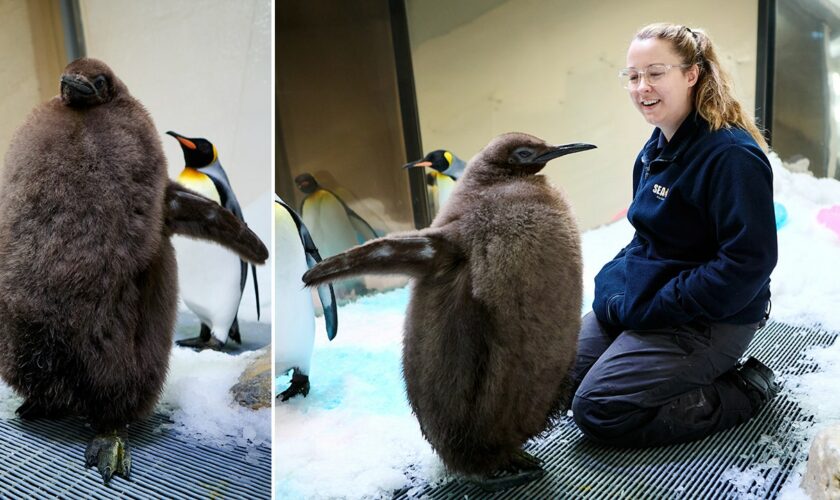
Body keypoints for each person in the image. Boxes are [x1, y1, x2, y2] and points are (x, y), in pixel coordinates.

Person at [570, 23, 779, 447]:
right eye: (633, 76)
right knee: (553, 375)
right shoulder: (656, 148)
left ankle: (743, 390)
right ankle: (650, 361)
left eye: (655, 72)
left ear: (691, 74)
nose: (641, 86)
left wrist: (657, 306)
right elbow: (645, 238)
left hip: (714, 316)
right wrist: (616, 287)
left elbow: (747, 264)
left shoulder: (731, 157)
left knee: (600, 408)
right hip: (659, 300)